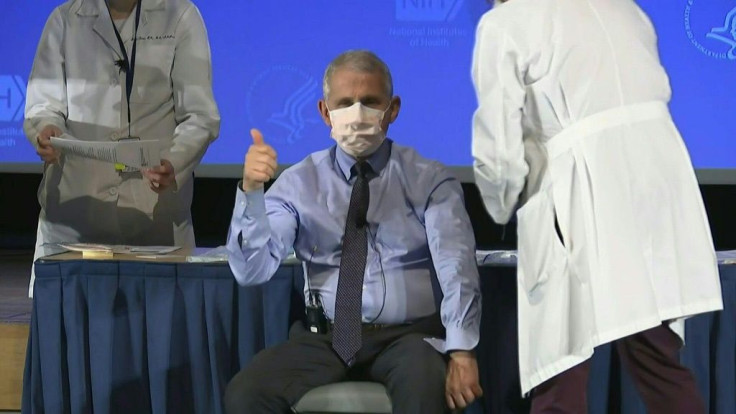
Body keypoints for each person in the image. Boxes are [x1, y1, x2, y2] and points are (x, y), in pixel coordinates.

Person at [470, 0, 723, 412]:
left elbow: (498, 144)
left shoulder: (506, 22)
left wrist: (500, 205)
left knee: (559, 354)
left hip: (583, 182)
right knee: (654, 350)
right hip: (660, 179)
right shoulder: (625, 8)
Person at [224, 50, 483, 414]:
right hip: (327, 338)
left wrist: (461, 351)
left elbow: (457, 267)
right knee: (246, 394)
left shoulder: (430, 180)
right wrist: (251, 191)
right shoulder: (299, 183)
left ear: (392, 109)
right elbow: (252, 270)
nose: (358, 113)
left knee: (426, 386)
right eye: (345, 103)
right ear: (324, 111)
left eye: (370, 102)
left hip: (407, 338)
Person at [24, 0, 220, 294]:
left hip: (153, 220)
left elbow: (200, 116)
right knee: (69, 331)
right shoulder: (64, 20)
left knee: (159, 331)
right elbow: (43, 106)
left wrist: (174, 162)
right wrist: (46, 130)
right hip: (74, 218)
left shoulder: (179, 15)